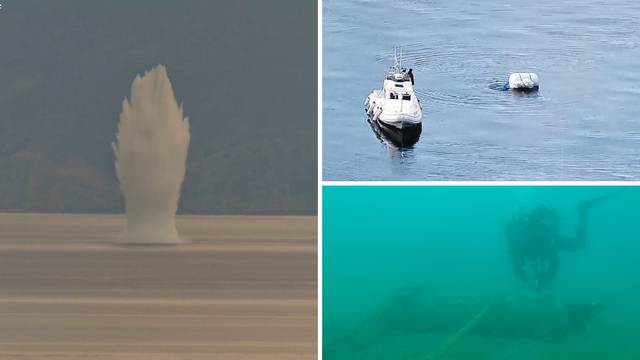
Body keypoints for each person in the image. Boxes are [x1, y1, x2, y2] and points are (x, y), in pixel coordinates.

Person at [504, 188, 626, 289]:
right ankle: (583, 210)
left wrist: (544, 281)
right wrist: (527, 279)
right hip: (545, 239)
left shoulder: (534, 235)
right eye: (514, 236)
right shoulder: (515, 247)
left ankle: (583, 209)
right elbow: (516, 264)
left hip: (549, 238)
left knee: (579, 244)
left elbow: (555, 261)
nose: (519, 238)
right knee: (579, 244)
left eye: (519, 233)